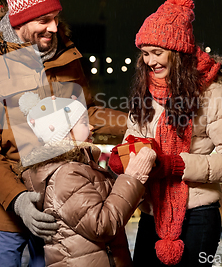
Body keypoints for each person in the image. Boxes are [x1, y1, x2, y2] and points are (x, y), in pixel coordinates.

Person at [0, 0, 127, 267]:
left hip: (59, 201)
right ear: (20, 21)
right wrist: (18, 200)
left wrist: (133, 123)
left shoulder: (67, 56)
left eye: (55, 18)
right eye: (43, 20)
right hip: (8, 208)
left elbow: (86, 113)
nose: (54, 27)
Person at [109, 0, 222, 266]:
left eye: (157, 53)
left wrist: (177, 166)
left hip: (198, 216)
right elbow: (134, 137)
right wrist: (123, 155)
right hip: (152, 212)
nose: (150, 61)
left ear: (178, 52)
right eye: (145, 54)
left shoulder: (213, 94)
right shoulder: (145, 92)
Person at [17, 92, 156, 267]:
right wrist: (132, 178)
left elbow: (111, 203)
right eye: (83, 122)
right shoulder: (67, 175)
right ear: (64, 132)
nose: (91, 127)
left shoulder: (81, 167)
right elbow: (102, 226)